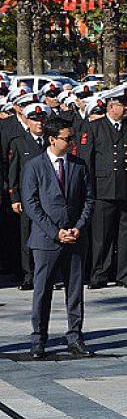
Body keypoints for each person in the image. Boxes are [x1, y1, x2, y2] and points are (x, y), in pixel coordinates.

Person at [23, 116, 95, 359]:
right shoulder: (34, 166)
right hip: (46, 240)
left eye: (73, 137)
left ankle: (75, 336)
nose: (72, 142)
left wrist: (78, 227)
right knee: (42, 291)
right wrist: (55, 232)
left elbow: (88, 199)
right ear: (52, 139)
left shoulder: (79, 165)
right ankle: (38, 339)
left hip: (75, 237)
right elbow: (31, 204)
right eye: (68, 138)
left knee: (75, 291)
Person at [78, 87, 127, 290]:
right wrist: (87, 188)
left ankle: (125, 274)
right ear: (111, 106)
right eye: (122, 104)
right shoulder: (94, 127)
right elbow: (87, 160)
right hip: (103, 189)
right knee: (102, 235)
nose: (126, 108)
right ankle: (99, 274)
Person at [8, 103, 51, 291]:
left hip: (49, 198)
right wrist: (15, 197)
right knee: (27, 237)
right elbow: (14, 173)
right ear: (27, 121)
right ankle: (29, 275)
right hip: (28, 198)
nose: (39, 123)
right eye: (34, 120)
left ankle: (49, 274)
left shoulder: (52, 141)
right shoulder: (19, 142)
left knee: (49, 235)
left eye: (41, 119)